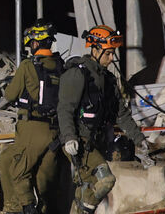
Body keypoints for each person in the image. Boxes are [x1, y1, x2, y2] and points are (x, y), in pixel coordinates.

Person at [56, 26, 151, 213]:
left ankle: (81, 207)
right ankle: (84, 208)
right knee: (106, 180)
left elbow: (121, 113)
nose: (111, 58)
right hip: (78, 142)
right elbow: (65, 108)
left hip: (95, 141)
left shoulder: (107, 79)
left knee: (85, 189)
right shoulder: (78, 74)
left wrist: (139, 139)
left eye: (112, 53)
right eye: (108, 53)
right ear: (95, 49)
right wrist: (69, 138)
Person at [0, 21, 65, 214]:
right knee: (43, 178)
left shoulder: (28, 65)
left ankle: (20, 208)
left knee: (16, 169)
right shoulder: (60, 66)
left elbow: (10, 95)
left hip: (32, 128)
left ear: (35, 43)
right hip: (55, 130)